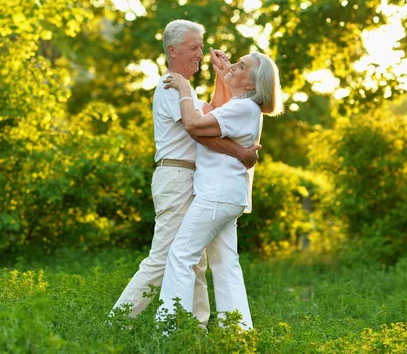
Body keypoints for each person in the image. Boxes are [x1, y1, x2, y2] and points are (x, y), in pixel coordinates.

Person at [111, 20, 260, 326]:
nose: (200, 54)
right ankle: (116, 323)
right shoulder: (171, 85)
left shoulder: (185, 88)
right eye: (194, 48)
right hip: (176, 177)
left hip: (192, 179)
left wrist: (222, 78)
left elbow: (215, 115)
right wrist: (241, 153)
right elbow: (198, 132)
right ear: (173, 50)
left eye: (202, 47)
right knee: (165, 257)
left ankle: (195, 328)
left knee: (195, 261)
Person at [156, 50, 283, 331]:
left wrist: (185, 89)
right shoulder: (242, 106)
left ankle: (167, 332)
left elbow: (192, 124)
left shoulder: (243, 108)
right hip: (228, 196)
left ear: (251, 83)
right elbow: (214, 117)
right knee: (226, 264)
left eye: (241, 66)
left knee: (181, 255)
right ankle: (238, 333)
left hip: (216, 195)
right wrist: (222, 75)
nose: (234, 66)